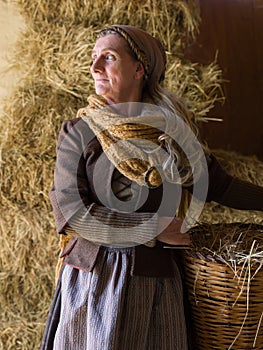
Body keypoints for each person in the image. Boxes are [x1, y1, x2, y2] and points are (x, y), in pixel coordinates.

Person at [41, 25, 263, 350]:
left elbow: (220, 185)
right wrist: (152, 230)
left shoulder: (171, 136)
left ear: (139, 69)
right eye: (93, 58)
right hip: (95, 281)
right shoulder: (78, 132)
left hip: (156, 281)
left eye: (108, 57)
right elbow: (73, 213)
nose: (95, 67)